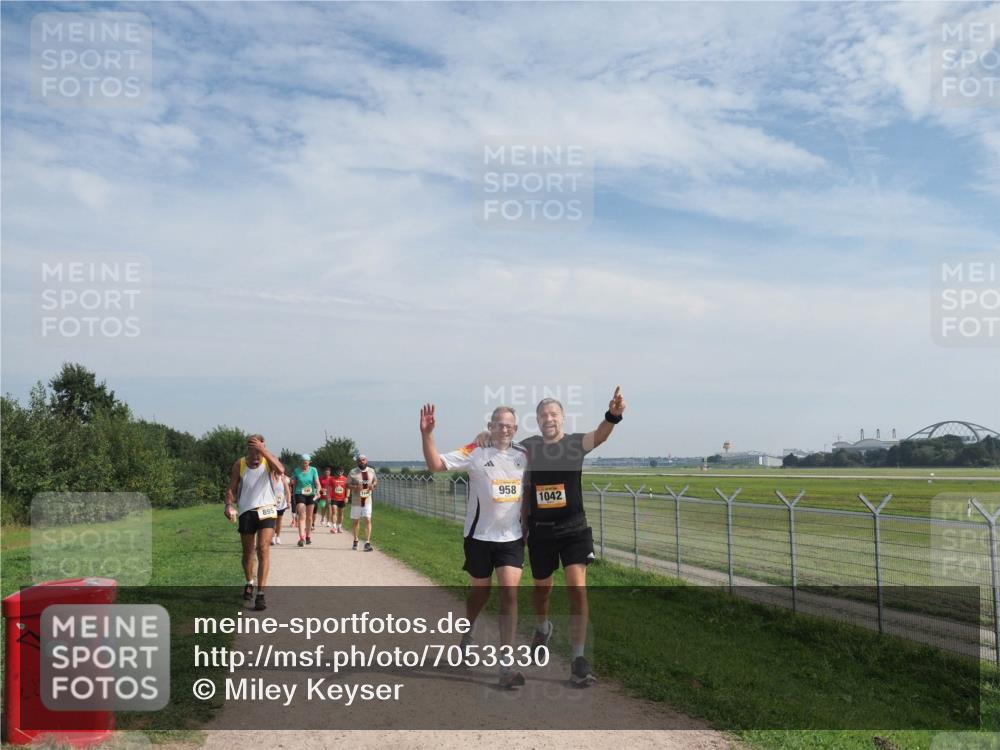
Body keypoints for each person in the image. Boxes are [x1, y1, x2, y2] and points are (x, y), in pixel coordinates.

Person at [521, 386, 626, 687]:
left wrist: (613, 415)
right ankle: (543, 628)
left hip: (574, 529)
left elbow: (601, 434)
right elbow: (504, 452)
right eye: (543, 415)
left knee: (577, 589)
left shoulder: (575, 444)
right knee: (542, 591)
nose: (548, 419)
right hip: (541, 532)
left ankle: (578, 659)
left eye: (553, 414)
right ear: (537, 421)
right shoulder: (528, 446)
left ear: (562, 418)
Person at [421, 403, 528, 689]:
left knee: (509, 593)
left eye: (508, 425)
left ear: (515, 429)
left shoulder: (525, 455)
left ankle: (506, 665)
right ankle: (467, 632)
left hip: (512, 538)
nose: (503, 428)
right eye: (498, 424)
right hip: (478, 537)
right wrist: (427, 435)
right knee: (480, 594)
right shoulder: (475, 450)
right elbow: (435, 465)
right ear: (490, 426)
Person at [224, 434, 285, 611]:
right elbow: (231, 488)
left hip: (267, 510)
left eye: (260, 450)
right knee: (248, 552)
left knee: (263, 548)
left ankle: (261, 594)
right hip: (246, 511)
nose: (257, 455)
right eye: (254, 450)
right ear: (248, 449)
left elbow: (280, 470)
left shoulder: (268, 460)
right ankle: (249, 581)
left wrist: (263, 450)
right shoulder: (240, 464)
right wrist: (228, 505)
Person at [348, 454, 378, 551]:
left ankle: (367, 542)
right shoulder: (353, 472)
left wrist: (373, 485)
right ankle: (356, 540)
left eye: (363, 460)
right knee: (356, 521)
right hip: (357, 500)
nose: (362, 462)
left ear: (366, 461)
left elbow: (375, 482)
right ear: (357, 462)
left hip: (367, 500)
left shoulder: (371, 471)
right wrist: (356, 487)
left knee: (367, 519)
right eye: (360, 460)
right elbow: (347, 485)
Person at [292, 454, 320, 547]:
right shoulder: (296, 470)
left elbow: (317, 483)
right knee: (302, 516)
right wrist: (291, 483)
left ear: (309, 462)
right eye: (303, 462)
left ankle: (308, 536)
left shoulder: (313, 470)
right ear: (300, 462)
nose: (305, 464)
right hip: (300, 494)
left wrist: (318, 490)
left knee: (309, 517)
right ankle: (301, 538)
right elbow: (293, 482)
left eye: (306, 462)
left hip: (311, 494)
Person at [271, 469, 291, 545]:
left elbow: (287, 491)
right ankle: (272, 537)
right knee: (272, 520)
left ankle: (278, 537)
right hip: (271, 503)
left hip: (281, 503)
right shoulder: (270, 477)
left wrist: (288, 502)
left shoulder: (283, 479)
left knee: (279, 520)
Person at [328, 466, 348, 534]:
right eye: (339, 471)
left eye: (341, 471)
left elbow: (348, 489)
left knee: (341, 513)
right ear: (336, 471)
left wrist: (347, 497)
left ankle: (339, 526)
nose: (340, 473)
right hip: (334, 498)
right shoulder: (332, 479)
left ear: (343, 472)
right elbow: (329, 488)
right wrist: (328, 497)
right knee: (334, 512)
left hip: (342, 499)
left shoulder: (345, 479)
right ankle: (334, 527)